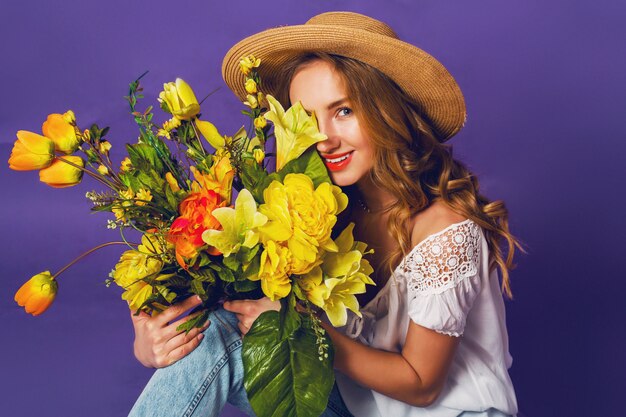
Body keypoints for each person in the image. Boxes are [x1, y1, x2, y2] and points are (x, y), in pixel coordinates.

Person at [129, 11, 519, 417]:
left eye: (344, 111)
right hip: (353, 409)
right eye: (308, 118)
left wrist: (301, 332)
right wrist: (153, 337)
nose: (325, 138)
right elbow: (225, 302)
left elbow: (421, 385)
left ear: (387, 110)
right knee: (222, 334)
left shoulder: (447, 230)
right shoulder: (318, 209)